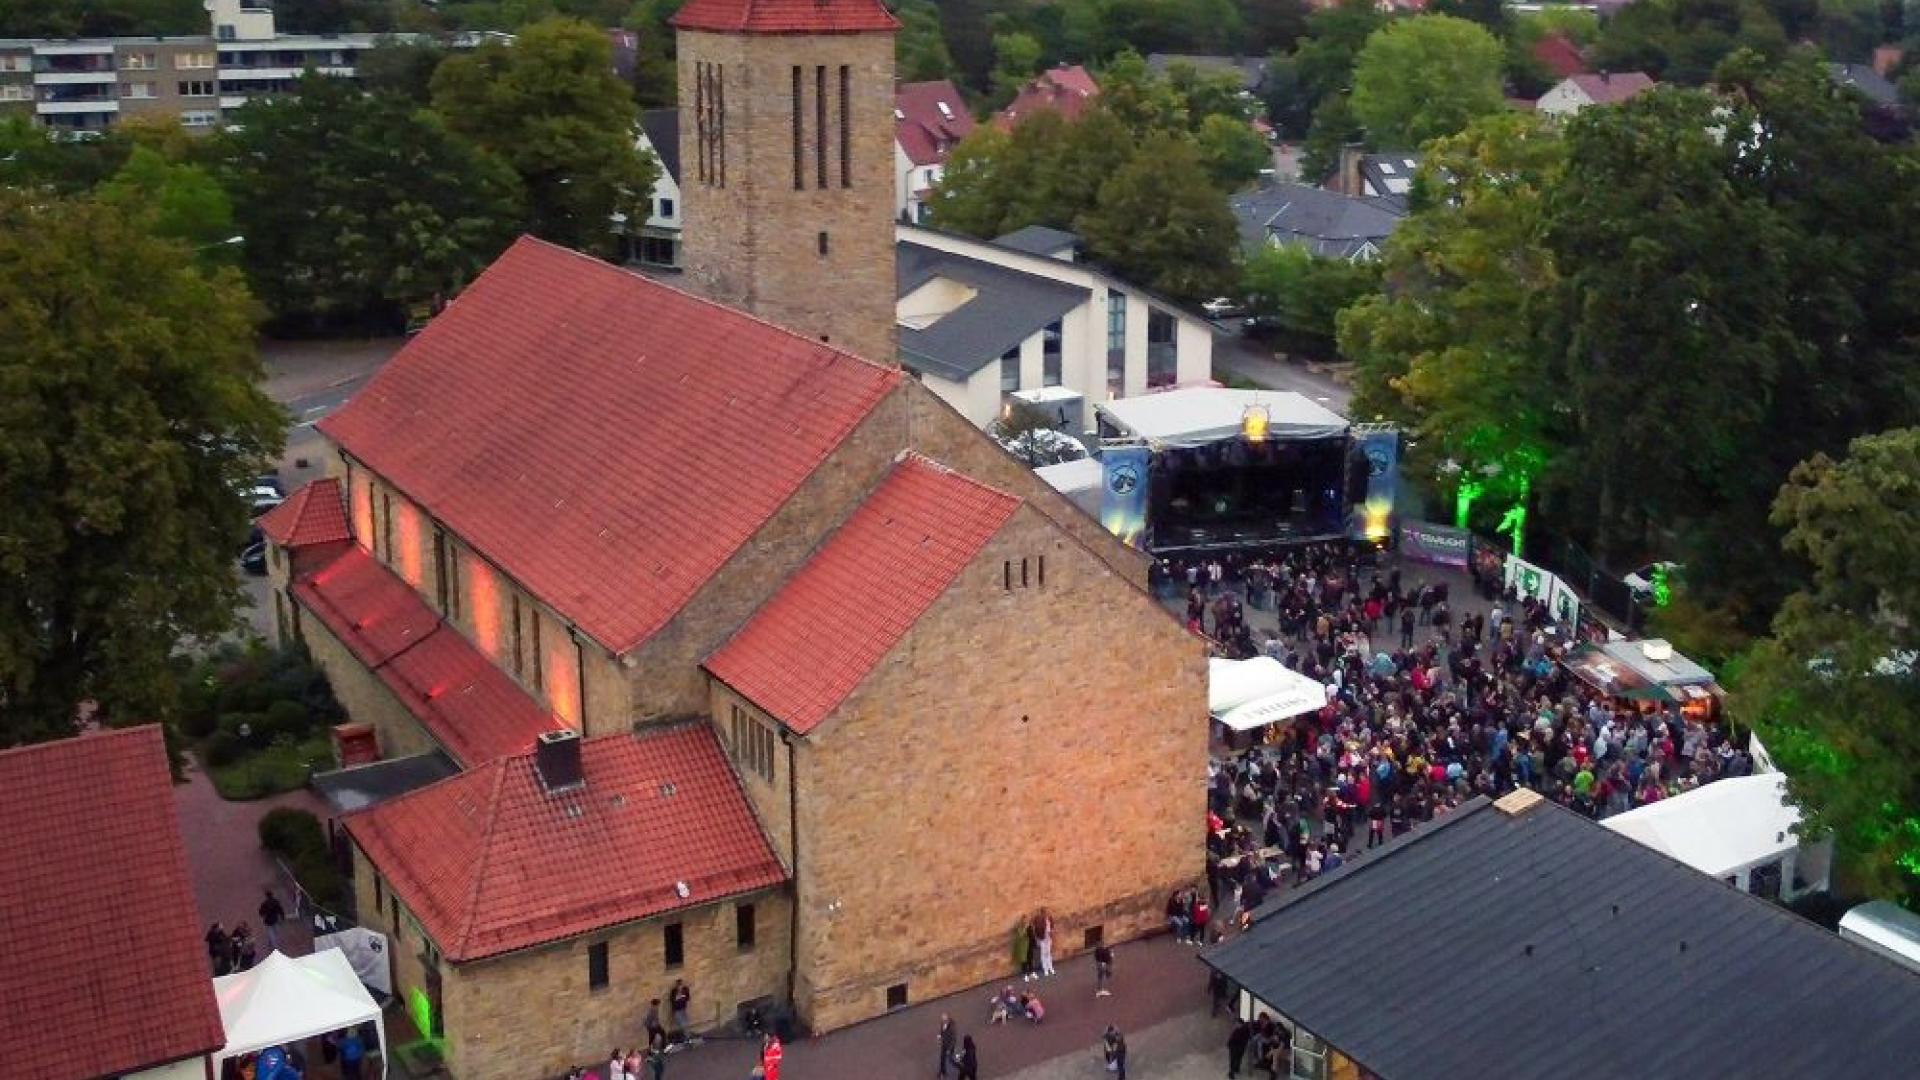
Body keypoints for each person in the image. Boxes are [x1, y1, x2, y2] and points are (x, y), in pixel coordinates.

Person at [1033, 908, 1055, 978]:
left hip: (1048, 938)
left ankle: (1050, 967)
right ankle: (1045, 969)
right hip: (1042, 938)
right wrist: (1038, 938)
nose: (1045, 914)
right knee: (1043, 953)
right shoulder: (1039, 919)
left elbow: (1052, 927)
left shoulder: (1050, 918)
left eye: (1046, 912)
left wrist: (1051, 933)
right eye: (1044, 912)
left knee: (1048, 953)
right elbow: (1037, 928)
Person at [937, 1013, 956, 1078]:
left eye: (944, 1020)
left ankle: (961, 1068)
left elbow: (953, 1040)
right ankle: (943, 1072)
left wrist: (949, 1049)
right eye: (942, 1020)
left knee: (950, 1060)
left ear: (947, 1019)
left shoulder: (952, 1028)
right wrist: (940, 1035)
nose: (943, 1021)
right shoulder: (943, 1023)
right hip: (944, 1044)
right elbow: (942, 1031)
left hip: (949, 1046)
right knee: (942, 1058)